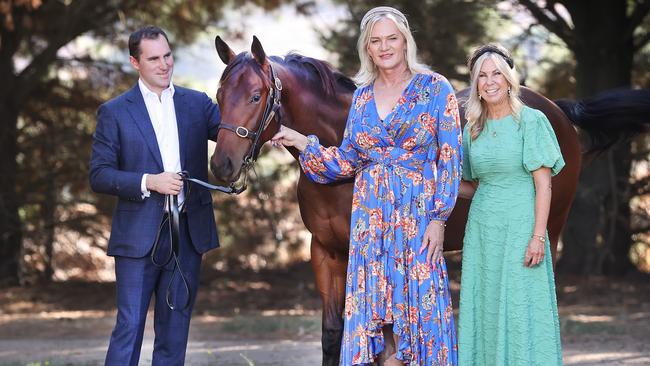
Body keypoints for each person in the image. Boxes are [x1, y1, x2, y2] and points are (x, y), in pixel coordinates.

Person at [272, 6, 461, 365]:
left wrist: (438, 219)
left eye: (392, 38)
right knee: (375, 313)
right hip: (370, 223)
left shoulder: (435, 88)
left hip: (416, 218)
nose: (385, 46)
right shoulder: (361, 97)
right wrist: (302, 142)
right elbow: (347, 161)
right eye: (376, 41)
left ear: (405, 41)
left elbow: (450, 159)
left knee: (419, 306)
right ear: (367, 48)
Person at [89, 26, 220, 365]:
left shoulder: (198, 104)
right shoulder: (115, 112)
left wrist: (286, 132)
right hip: (137, 237)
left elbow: (239, 132)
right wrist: (150, 181)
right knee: (129, 326)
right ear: (135, 62)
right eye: (153, 59)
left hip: (188, 234)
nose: (164, 65)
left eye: (167, 55)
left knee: (175, 328)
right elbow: (99, 175)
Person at [457, 43, 564, 365]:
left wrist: (538, 236)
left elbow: (543, 184)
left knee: (520, 304)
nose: (490, 82)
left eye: (496, 74)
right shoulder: (472, 128)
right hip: (482, 229)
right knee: (485, 304)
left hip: (522, 225)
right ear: (475, 83)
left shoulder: (531, 121)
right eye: (482, 76)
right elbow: (469, 182)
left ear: (508, 79)